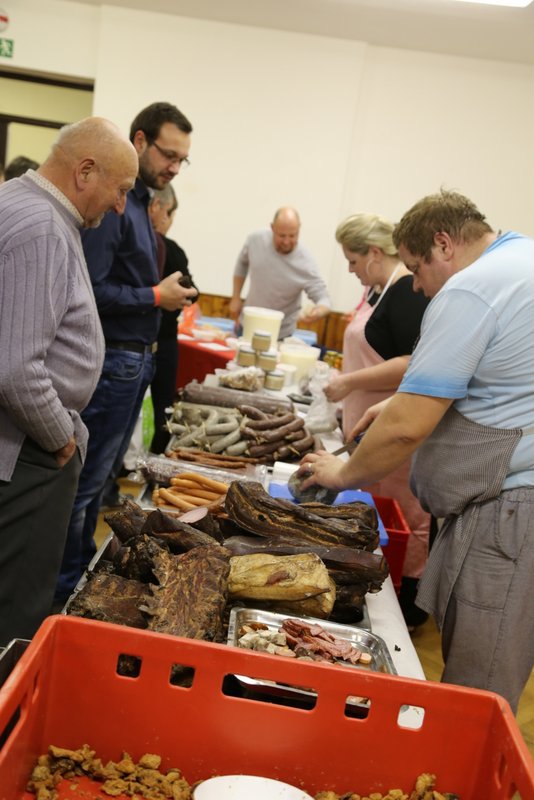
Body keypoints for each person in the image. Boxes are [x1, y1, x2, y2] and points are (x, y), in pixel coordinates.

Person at [300, 189, 534, 713]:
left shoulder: (472, 287)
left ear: (444, 245)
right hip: (512, 508)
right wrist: (402, 406)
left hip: (511, 513)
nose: (420, 288)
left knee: (479, 685)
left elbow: (408, 429)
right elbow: (500, 387)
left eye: (416, 270)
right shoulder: (519, 257)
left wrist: (343, 474)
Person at [0, 117, 139, 645]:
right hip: (27, 454)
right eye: (120, 189)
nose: (120, 205)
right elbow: (15, 367)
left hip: (21, 449)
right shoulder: (42, 226)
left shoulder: (21, 203)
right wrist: (61, 436)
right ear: (85, 171)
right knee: (14, 614)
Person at [55, 102, 198, 605]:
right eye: (169, 154)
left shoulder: (139, 205)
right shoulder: (118, 207)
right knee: (82, 492)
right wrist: (155, 298)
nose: (175, 167)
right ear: (139, 141)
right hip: (113, 359)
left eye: (183, 159)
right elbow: (91, 290)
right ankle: (66, 596)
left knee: (97, 489)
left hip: (132, 361)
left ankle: (73, 589)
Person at [323, 213, 431, 627]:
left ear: (372, 253)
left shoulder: (405, 290)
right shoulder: (379, 290)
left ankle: (407, 601)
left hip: (394, 427)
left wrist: (349, 381)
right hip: (366, 420)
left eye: (352, 261)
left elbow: (410, 363)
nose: (350, 270)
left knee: (403, 518)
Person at [229, 207, 331, 340]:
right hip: (247, 324)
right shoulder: (255, 240)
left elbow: (324, 299)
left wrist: (318, 311)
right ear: (272, 228)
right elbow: (242, 263)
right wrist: (236, 296)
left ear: (299, 229)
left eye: (292, 235)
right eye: (282, 235)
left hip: (279, 334)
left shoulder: (306, 263)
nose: (287, 241)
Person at [148, 184, 198, 453]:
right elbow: (192, 292)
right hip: (162, 339)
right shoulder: (170, 250)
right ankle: (156, 456)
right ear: (161, 211)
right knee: (161, 406)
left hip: (139, 340)